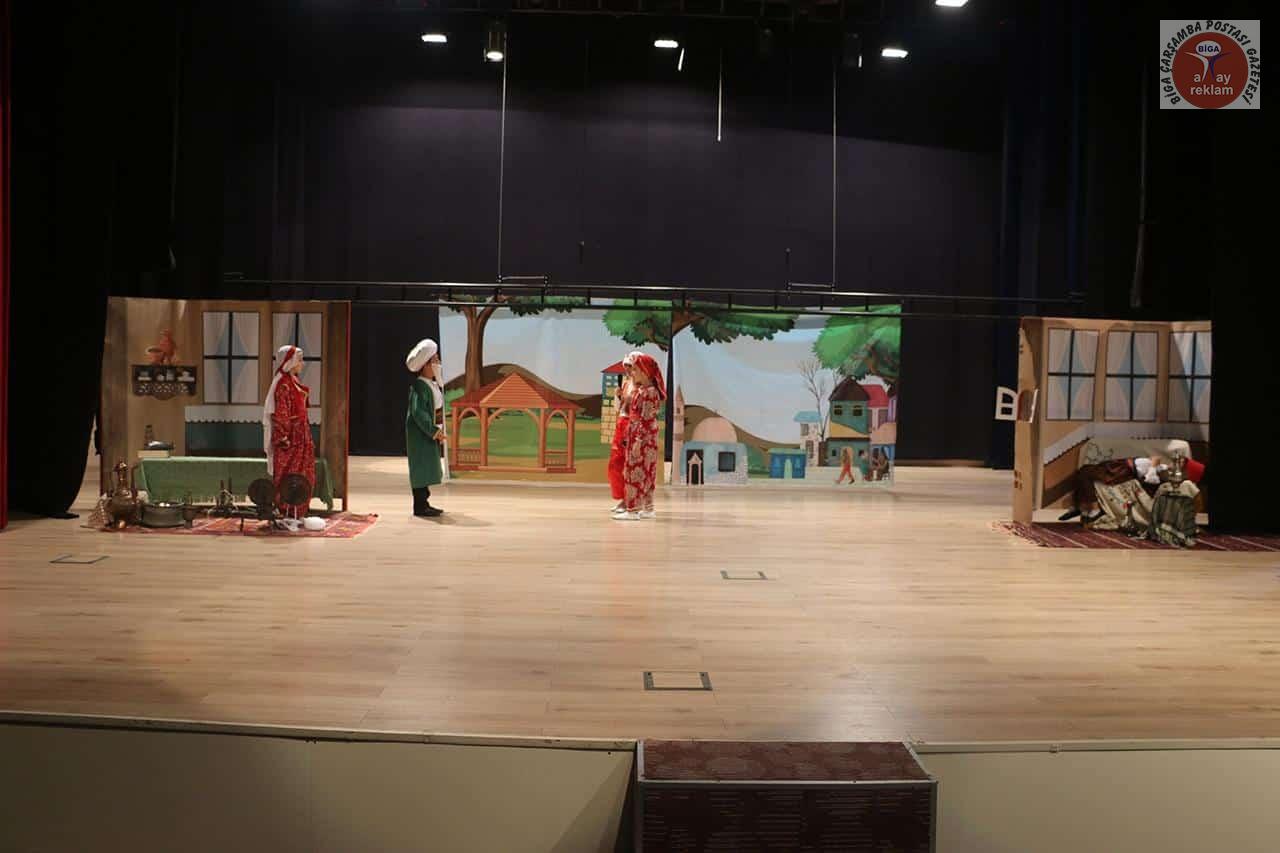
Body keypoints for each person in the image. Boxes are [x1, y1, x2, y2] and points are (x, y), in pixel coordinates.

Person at [263, 345, 316, 517]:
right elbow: (281, 414)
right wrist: (282, 437)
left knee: (303, 472)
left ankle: (298, 510)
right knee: (289, 474)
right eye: (299, 360)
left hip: (301, 436)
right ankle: (286, 509)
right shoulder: (283, 385)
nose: (302, 363)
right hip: (291, 438)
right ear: (290, 362)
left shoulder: (293, 381)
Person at [615, 353, 665, 520]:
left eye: (636, 370)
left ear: (645, 371)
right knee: (646, 471)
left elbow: (646, 419)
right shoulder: (642, 390)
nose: (632, 373)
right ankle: (648, 508)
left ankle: (633, 510)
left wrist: (637, 441)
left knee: (635, 471)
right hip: (640, 433)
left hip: (642, 436)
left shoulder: (649, 393)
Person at [406, 339, 447, 518]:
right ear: (425, 365)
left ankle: (424, 503)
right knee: (421, 467)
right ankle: (420, 505)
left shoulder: (431, 384)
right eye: (434, 360)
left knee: (427, 466)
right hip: (421, 433)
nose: (438, 363)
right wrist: (433, 430)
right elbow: (418, 412)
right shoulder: (420, 386)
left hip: (429, 432)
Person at [608, 351, 644, 516]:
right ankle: (622, 497)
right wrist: (618, 397)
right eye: (626, 366)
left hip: (632, 425)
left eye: (631, 366)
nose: (628, 370)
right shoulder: (626, 384)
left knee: (630, 465)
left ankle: (631, 501)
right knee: (615, 463)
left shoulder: (642, 387)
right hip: (621, 423)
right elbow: (619, 408)